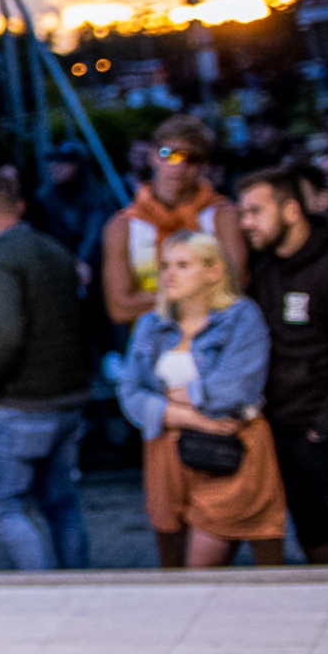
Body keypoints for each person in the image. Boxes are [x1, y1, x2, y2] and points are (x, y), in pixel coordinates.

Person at [117, 230, 284, 568]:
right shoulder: (151, 324)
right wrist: (195, 416)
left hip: (230, 449)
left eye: (183, 265)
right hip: (166, 452)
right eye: (165, 266)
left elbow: (236, 389)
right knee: (173, 566)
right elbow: (130, 393)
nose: (170, 274)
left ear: (213, 270)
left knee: (201, 567)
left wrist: (180, 398)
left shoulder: (240, 316)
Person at [0, 171, 92, 571]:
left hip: (20, 404)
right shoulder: (52, 248)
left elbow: (5, 334)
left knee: (0, 507)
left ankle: (43, 590)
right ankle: (79, 586)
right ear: (19, 206)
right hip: (68, 398)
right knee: (62, 505)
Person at [234, 169, 328, 565]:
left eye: (255, 211)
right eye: (242, 213)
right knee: (315, 539)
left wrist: (326, 423)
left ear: (291, 210)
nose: (246, 223)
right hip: (282, 433)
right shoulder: (265, 271)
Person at [102, 116, 249, 325]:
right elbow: (120, 309)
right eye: (168, 154)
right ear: (153, 156)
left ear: (205, 165)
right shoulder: (123, 226)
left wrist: (148, 301)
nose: (179, 165)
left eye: (191, 158)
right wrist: (202, 295)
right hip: (153, 340)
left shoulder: (223, 215)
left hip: (216, 335)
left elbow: (235, 287)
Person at [33, 143, 113, 284]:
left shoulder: (97, 194)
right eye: (53, 161)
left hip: (93, 266)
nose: (55, 166)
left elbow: (94, 234)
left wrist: (82, 261)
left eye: (63, 162)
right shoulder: (45, 196)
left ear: (79, 165)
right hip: (57, 265)